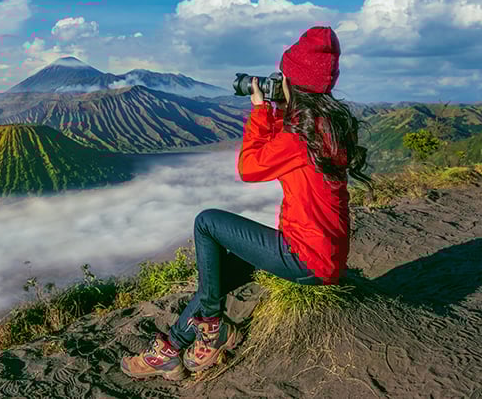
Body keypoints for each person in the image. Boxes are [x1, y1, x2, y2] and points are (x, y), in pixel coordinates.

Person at [120, 26, 374, 381]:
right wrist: (282, 111)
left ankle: (212, 327)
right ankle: (172, 349)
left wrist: (260, 111)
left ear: (293, 82)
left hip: (305, 258)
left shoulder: (299, 139)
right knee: (217, 276)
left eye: (283, 78)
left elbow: (249, 169)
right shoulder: (327, 127)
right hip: (326, 255)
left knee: (206, 221)